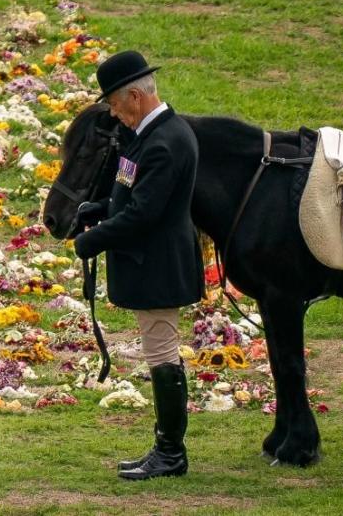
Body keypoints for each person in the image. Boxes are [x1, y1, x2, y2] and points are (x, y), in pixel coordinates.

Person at [73, 50, 205, 480]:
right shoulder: (150, 135)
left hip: (159, 263)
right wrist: (99, 207)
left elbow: (144, 214)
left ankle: (170, 453)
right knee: (157, 351)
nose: (114, 113)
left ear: (134, 95)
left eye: (113, 104)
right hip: (152, 259)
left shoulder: (166, 142)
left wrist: (92, 240)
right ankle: (167, 449)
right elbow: (131, 193)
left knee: (163, 353)